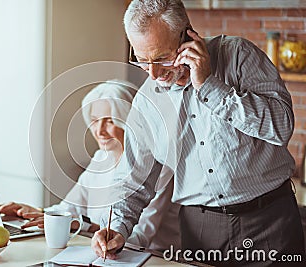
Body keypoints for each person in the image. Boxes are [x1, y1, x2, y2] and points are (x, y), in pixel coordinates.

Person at [91, 1, 305, 266]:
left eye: (161, 58)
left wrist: (209, 85)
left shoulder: (238, 56)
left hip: (269, 222)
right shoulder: (148, 101)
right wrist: (117, 227)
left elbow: (281, 127)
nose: (154, 74)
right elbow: (135, 176)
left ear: (187, 36)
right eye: (142, 61)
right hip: (201, 230)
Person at [0, 79, 181, 251]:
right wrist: (37, 212)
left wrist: (83, 225)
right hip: (100, 251)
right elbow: (70, 208)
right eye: (95, 120)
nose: (99, 131)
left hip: (153, 259)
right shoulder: (101, 158)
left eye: (110, 121)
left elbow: (136, 237)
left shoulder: (159, 168)